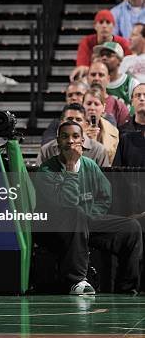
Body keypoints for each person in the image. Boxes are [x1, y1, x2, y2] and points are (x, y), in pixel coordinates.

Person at [35, 121, 142, 295]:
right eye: (65, 136)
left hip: (85, 222)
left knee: (131, 228)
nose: (70, 141)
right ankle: (76, 281)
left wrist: (91, 216)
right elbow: (66, 204)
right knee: (75, 212)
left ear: (82, 141)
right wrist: (70, 168)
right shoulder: (46, 170)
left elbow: (104, 196)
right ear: (58, 142)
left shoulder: (90, 165)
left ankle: (128, 288)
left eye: (75, 136)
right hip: (55, 228)